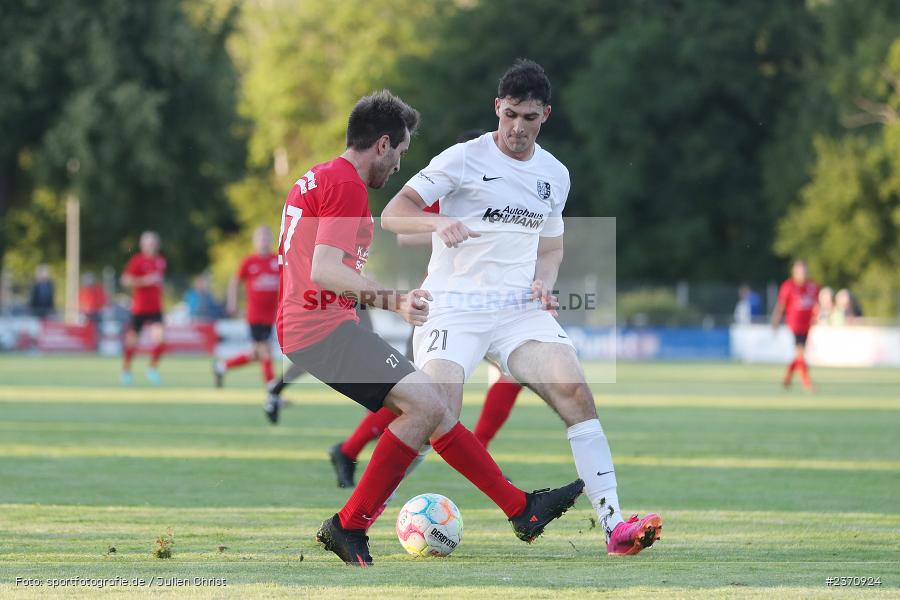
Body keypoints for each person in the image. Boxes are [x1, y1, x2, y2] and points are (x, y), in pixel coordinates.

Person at [277, 90, 582, 566]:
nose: (398, 165)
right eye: (399, 153)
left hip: (313, 324)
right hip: (320, 326)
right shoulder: (346, 184)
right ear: (382, 144)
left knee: (432, 407)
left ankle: (522, 510)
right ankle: (349, 524)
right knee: (426, 405)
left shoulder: (318, 176)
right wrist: (394, 300)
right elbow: (325, 270)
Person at [380, 60, 662, 556]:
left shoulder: (555, 175)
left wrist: (544, 284)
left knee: (575, 390)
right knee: (434, 410)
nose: (517, 127)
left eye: (529, 117)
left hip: (516, 312)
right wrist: (435, 226)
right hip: (454, 307)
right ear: (497, 108)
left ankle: (614, 526)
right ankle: (361, 516)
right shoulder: (462, 158)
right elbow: (393, 213)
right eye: (510, 114)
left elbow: (551, 249)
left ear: (545, 115)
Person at [328, 129, 525, 489]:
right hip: (443, 306)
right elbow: (404, 232)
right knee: (417, 396)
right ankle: (349, 449)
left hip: (491, 305)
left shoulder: (505, 192)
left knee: (516, 372)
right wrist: (450, 228)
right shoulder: (454, 185)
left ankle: (477, 451)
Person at [214, 226, 280, 390]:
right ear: (255, 241)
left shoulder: (277, 260)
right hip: (255, 315)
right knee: (265, 351)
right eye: (260, 238)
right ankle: (272, 389)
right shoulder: (249, 262)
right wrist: (232, 303)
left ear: (271, 240)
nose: (264, 241)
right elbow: (235, 282)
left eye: (266, 238)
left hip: (270, 315)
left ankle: (221, 367)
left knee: (255, 355)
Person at [120, 231, 167, 385]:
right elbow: (125, 280)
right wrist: (145, 281)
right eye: (148, 243)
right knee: (131, 343)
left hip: (156, 308)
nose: (151, 246)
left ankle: (152, 370)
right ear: (142, 245)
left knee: (160, 340)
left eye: (153, 243)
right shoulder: (137, 260)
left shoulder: (161, 261)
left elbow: (159, 283)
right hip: (139, 309)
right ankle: (126, 371)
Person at [770, 259, 818, 390]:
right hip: (795, 325)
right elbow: (781, 306)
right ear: (794, 272)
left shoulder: (813, 286)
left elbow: (816, 305)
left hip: (807, 325)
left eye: (804, 271)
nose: (802, 274)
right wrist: (775, 321)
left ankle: (787, 378)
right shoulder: (788, 286)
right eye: (799, 271)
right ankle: (807, 382)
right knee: (801, 354)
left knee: (799, 355)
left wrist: (816, 317)